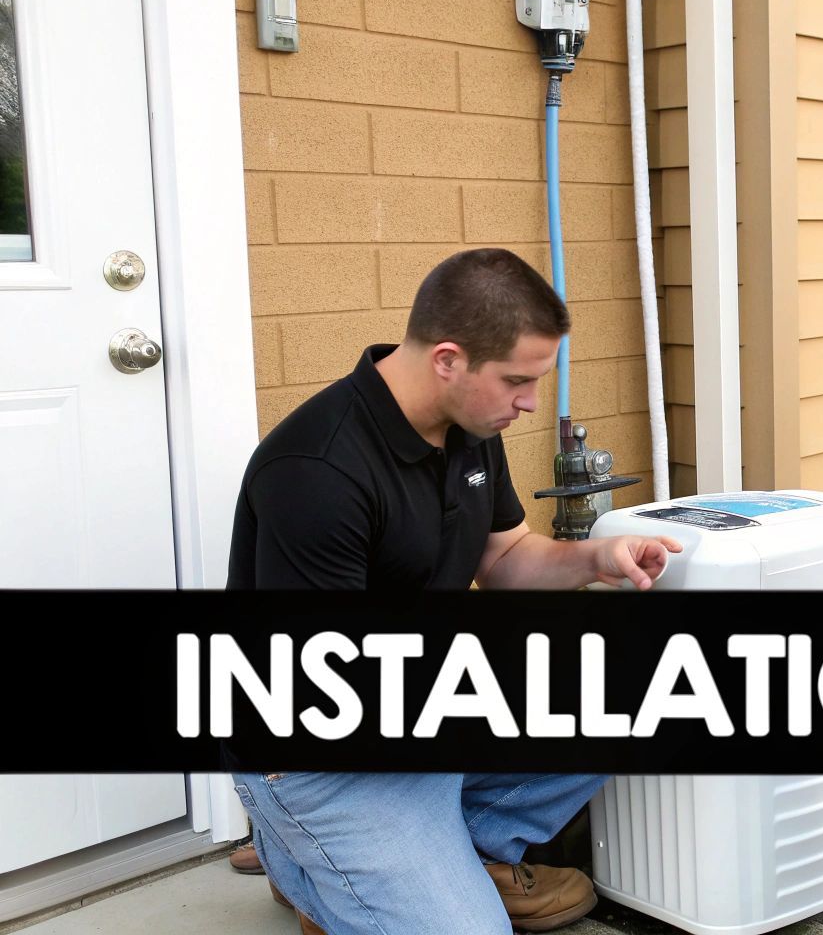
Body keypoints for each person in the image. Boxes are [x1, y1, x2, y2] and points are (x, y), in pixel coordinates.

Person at [227, 247, 683, 934]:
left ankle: (462, 852)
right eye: (517, 382)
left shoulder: (469, 426)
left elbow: (505, 557)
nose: (530, 403)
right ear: (448, 358)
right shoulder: (316, 471)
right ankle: (312, 863)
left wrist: (599, 558)